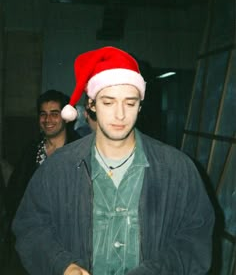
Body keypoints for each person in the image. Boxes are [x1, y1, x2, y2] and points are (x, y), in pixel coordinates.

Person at [12, 46, 215, 275]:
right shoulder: (58, 168)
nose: (120, 115)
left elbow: (195, 236)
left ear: (140, 105)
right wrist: (62, 265)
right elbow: (30, 227)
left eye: (129, 103)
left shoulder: (177, 168)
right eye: (108, 102)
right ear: (91, 105)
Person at [6, 89, 80, 222]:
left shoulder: (78, 151)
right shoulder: (31, 151)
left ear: (66, 118)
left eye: (54, 114)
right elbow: (15, 192)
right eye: (43, 114)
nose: (47, 120)